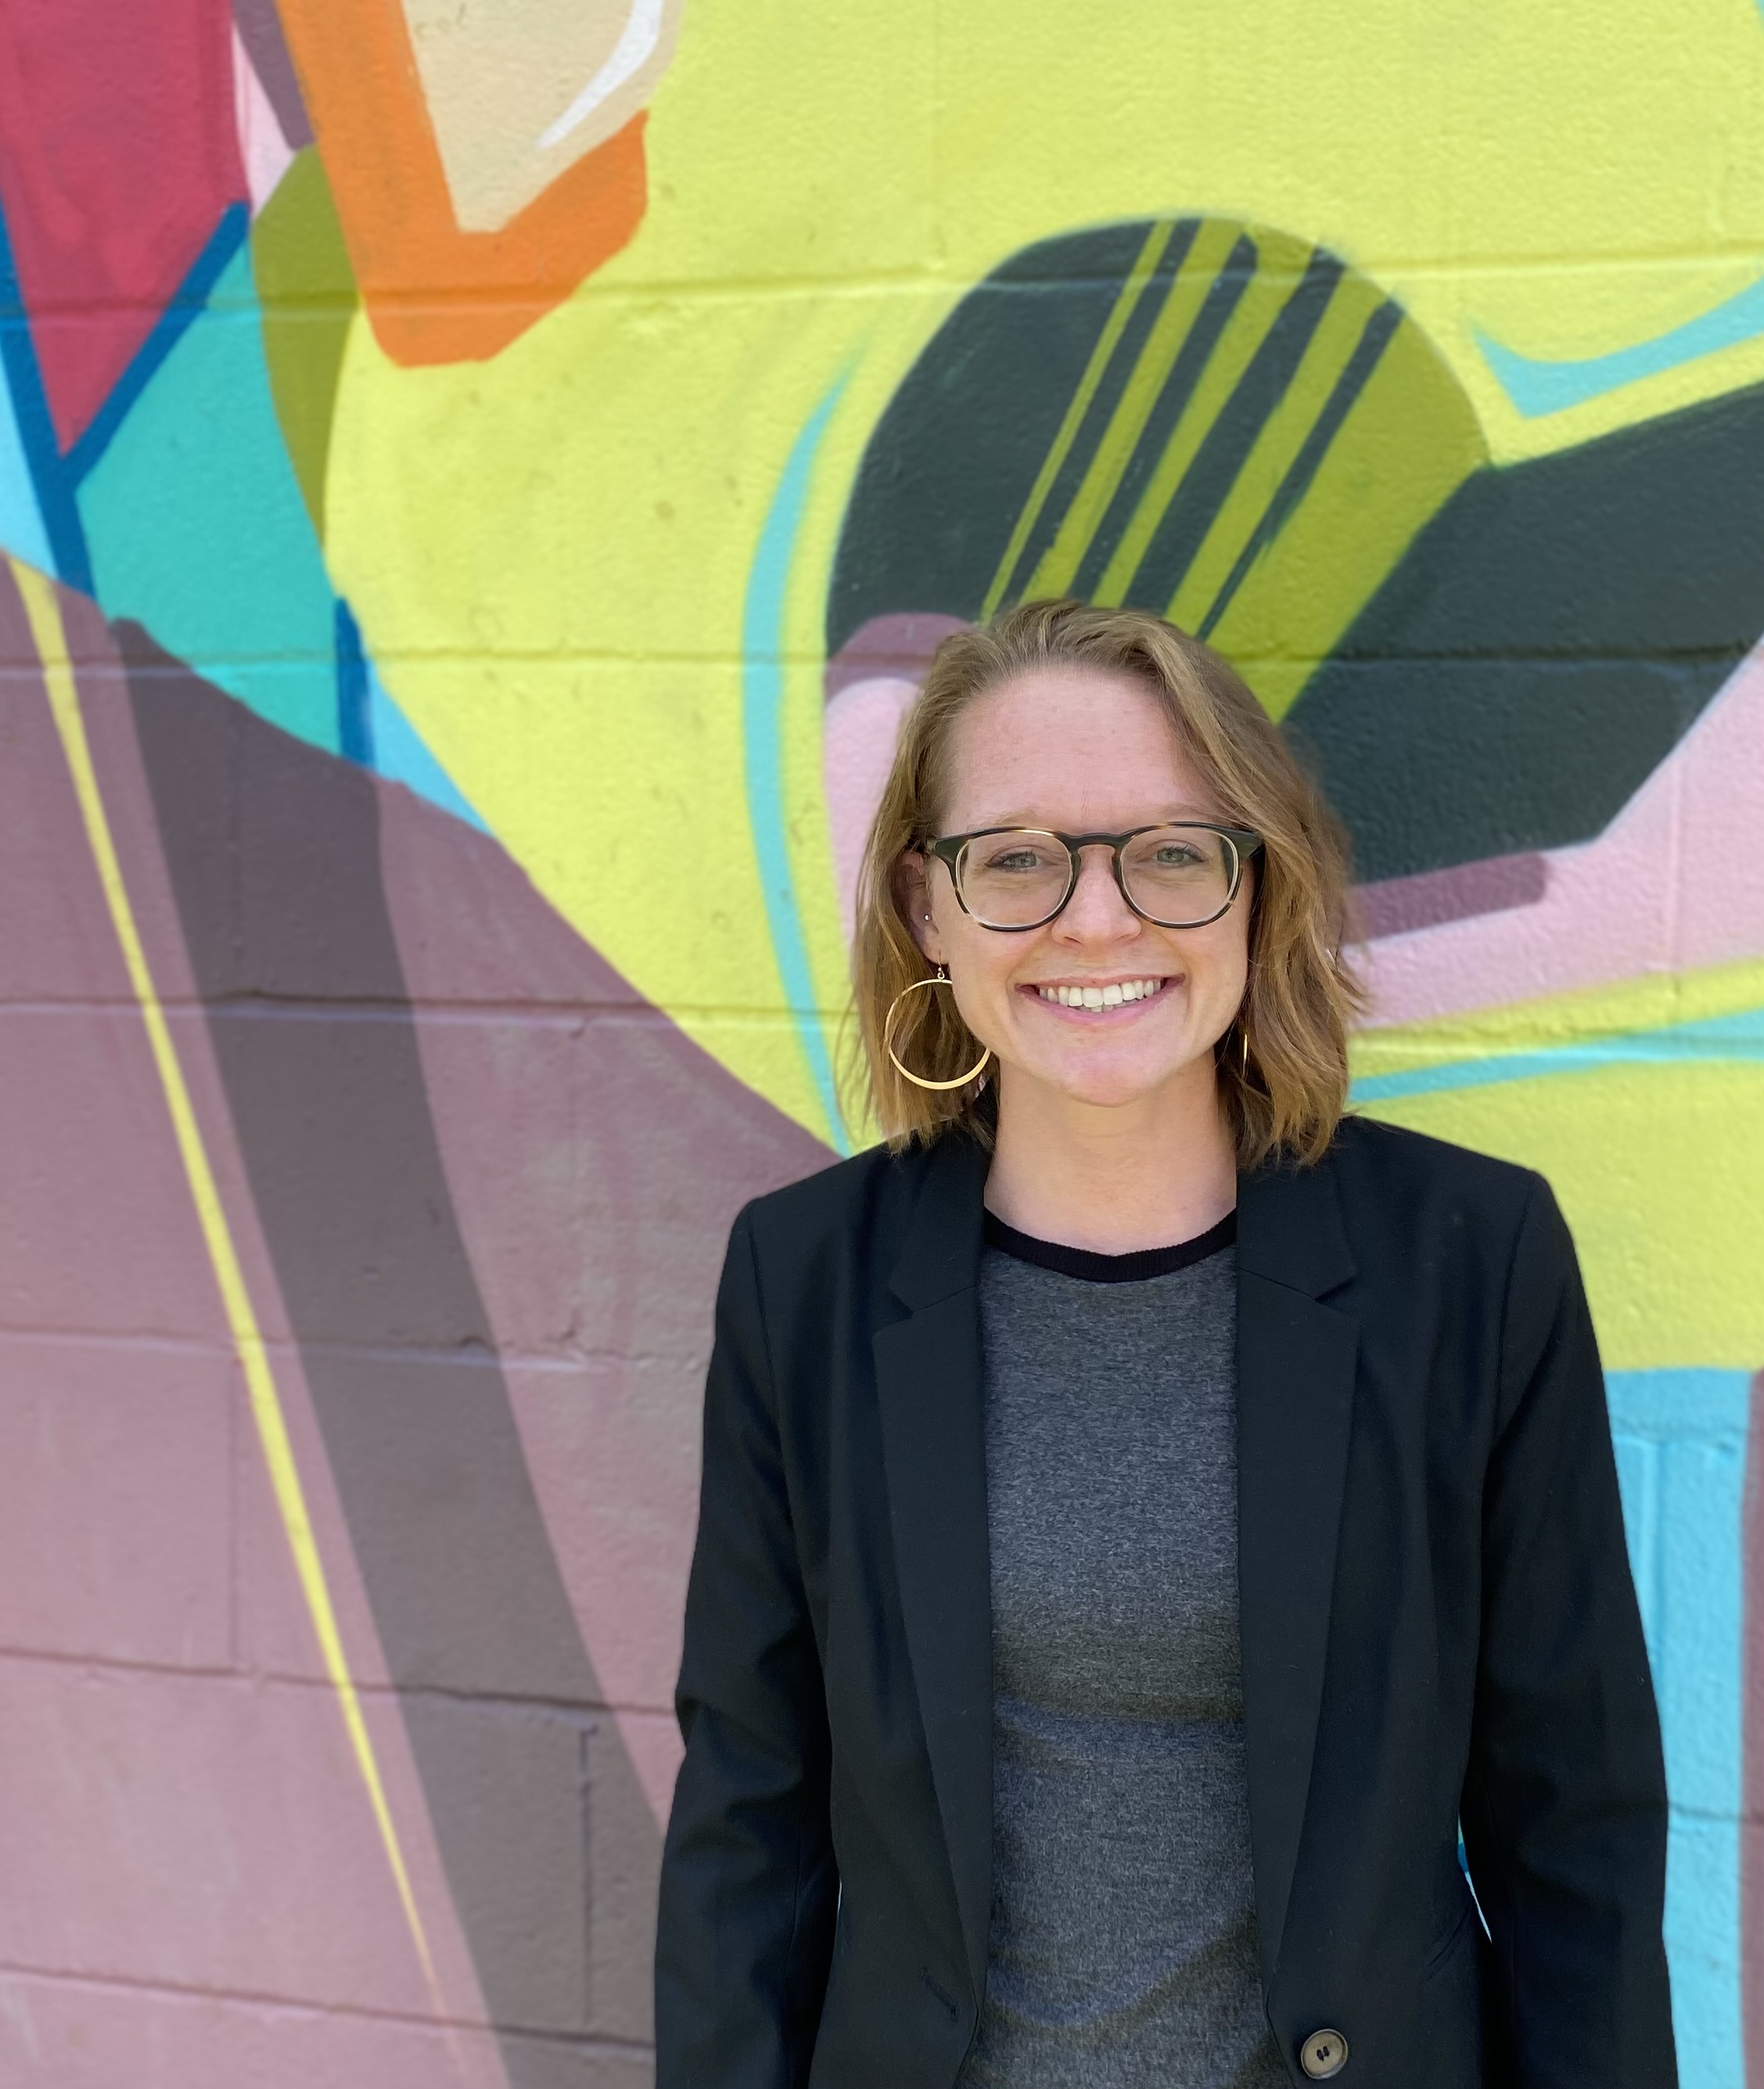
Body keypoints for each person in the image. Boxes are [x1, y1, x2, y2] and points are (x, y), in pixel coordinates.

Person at [655, 599, 1676, 2088]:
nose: (1095, 919)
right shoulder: (802, 1283)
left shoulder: (1470, 1266)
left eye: (1171, 852)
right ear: (926, 908)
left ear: (1258, 890)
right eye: (1015, 859)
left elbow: (1573, 1828)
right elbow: (748, 1825)